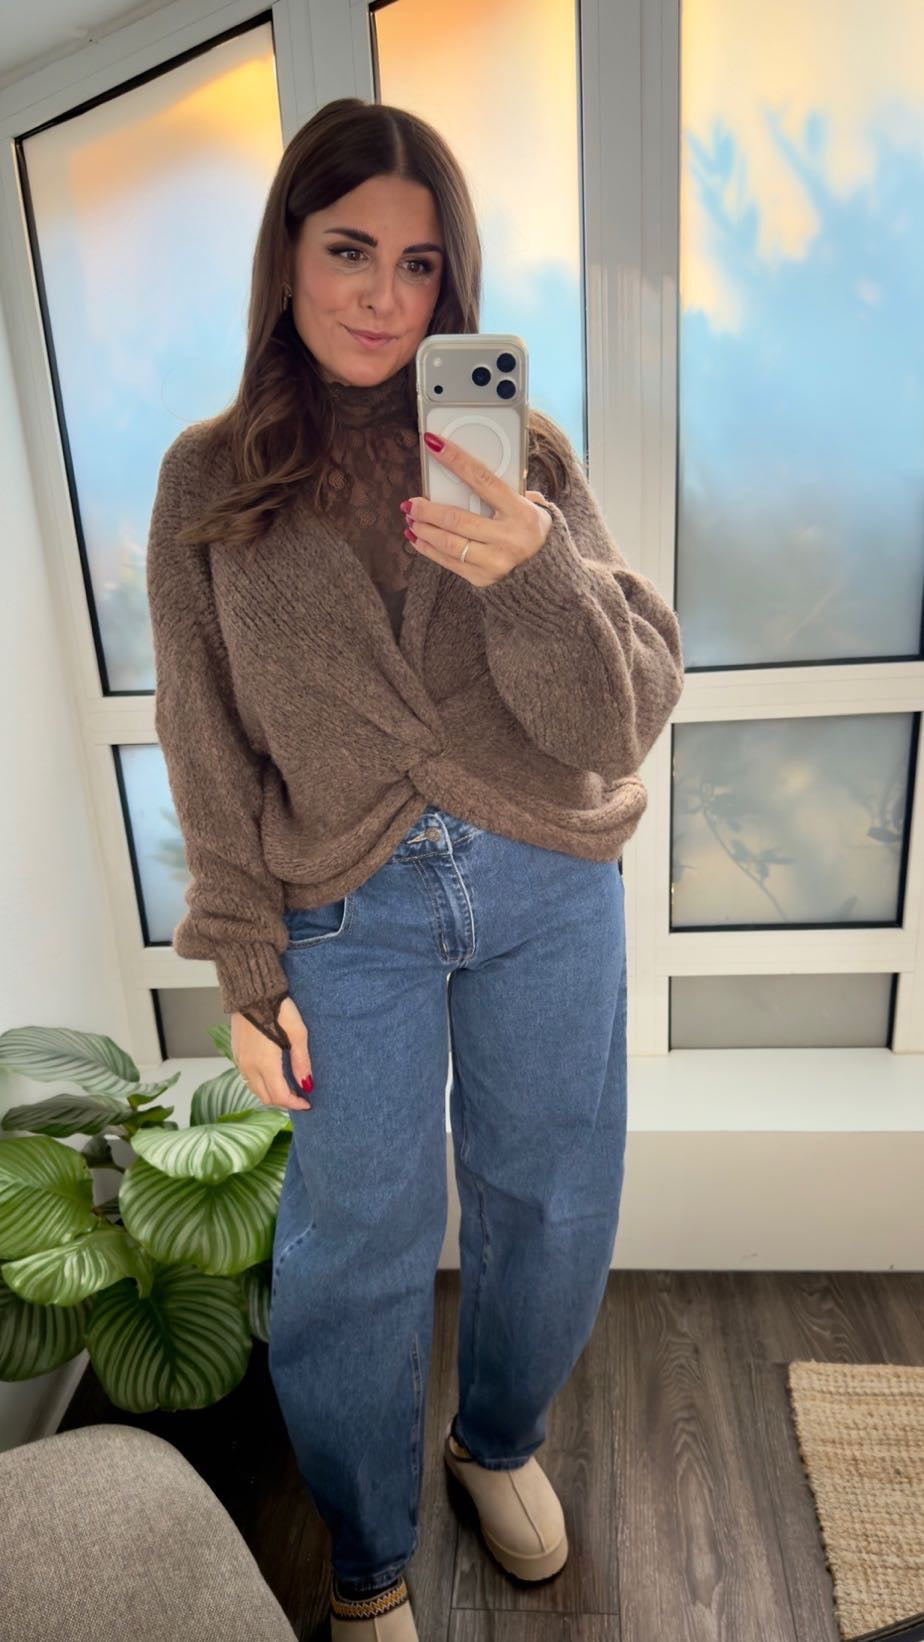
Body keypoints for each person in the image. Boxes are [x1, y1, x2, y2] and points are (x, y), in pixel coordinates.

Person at [146, 96, 684, 1642]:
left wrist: (535, 572)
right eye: (350, 250)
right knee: (350, 1246)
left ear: (456, 282)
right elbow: (203, 740)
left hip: (543, 880)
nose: (386, 295)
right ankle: (368, 1551)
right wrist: (248, 967)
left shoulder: (523, 454)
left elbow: (622, 711)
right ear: (288, 257)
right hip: (345, 909)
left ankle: (495, 1440)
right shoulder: (206, 485)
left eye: (422, 263)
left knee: (553, 1197)